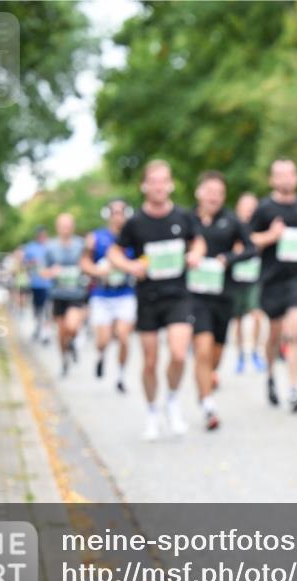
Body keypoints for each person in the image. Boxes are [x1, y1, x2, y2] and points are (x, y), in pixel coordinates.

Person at [108, 159, 205, 441]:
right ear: (145, 186)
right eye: (154, 181)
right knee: (150, 362)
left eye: (164, 181)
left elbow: (198, 241)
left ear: (171, 184)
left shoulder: (183, 217)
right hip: (148, 297)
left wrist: (196, 254)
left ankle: (172, 400)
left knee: (178, 353)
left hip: (179, 295)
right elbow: (115, 252)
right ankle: (152, 411)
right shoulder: (135, 223)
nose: (160, 186)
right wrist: (129, 267)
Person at [249, 158, 297, 413]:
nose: (286, 179)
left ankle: (294, 389)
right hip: (272, 279)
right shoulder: (264, 208)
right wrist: (270, 236)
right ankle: (269, 374)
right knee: (275, 335)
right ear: (272, 180)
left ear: (296, 178)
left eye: (290, 174)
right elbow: (248, 240)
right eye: (280, 175)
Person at [188, 171, 256, 430]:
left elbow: (251, 248)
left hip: (224, 295)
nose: (214, 196)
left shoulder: (232, 220)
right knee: (202, 350)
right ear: (199, 193)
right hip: (195, 297)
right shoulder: (188, 220)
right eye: (210, 191)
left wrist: (228, 259)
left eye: (219, 192)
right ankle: (208, 405)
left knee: (214, 356)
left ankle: (207, 382)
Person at [82, 199, 138, 393]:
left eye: (122, 212)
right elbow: (85, 263)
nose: (118, 216)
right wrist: (98, 272)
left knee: (123, 336)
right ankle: (101, 355)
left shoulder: (134, 236)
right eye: (114, 212)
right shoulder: (96, 238)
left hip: (125, 293)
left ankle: (121, 375)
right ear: (108, 215)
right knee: (103, 340)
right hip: (102, 294)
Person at [42, 213, 88, 377]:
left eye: (68, 225)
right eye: (62, 225)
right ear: (57, 227)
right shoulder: (50, 247)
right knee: (61, 333)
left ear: (73, 226)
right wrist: (51, 272)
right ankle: (64, 360)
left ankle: (74, 343)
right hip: (58, 295)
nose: (65, 228)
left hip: (76, 294)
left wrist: (86, 270)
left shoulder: (81, 245)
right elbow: (42, 271)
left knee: (72, 326)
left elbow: (89, 264)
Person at [230, 191, 266, 374]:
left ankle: (255, 352)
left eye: (253, 207)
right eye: (246, 206)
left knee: (256, 314)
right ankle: (240, 356)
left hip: (254, 278)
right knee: (237, 319)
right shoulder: (232, 227)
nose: (249, 210)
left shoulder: (258, 227)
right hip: (236, 279)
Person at [23, 227, 52, 343]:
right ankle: (38, 327)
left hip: (49, 284)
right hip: (36, 284)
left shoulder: (50, 247)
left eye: (44, 235)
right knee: (37, 308)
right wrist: (32, 263)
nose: (42, 237)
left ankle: (46, 332)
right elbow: (25, 264)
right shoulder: (30, 248)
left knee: (48, 308)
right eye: (40, 235)